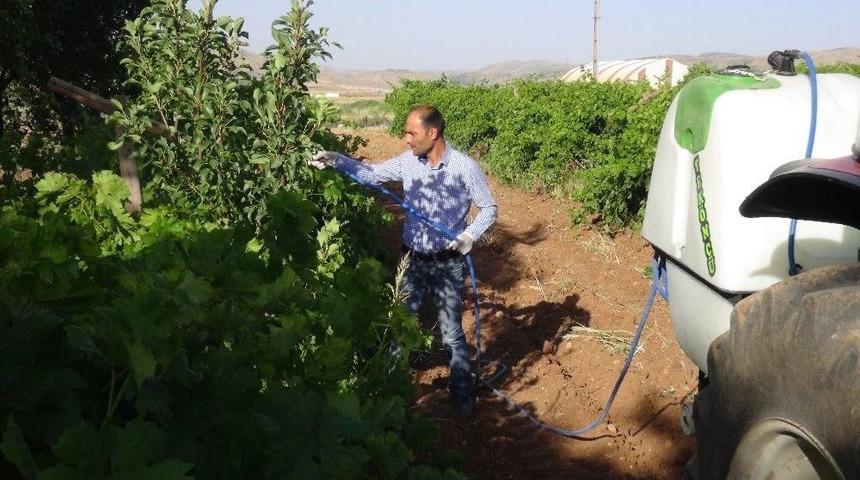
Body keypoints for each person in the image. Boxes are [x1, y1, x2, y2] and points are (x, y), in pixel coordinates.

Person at [310, 105, 498, 415]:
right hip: (411, 259)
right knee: (399, 324)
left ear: (432, 133)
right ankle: (388, 388)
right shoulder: (409, 162)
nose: (406, 138)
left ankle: (462, 392)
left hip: (447, 263)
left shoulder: (464, 167)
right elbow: (371, 175)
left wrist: (470, 235)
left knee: (451, 331)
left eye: (411, 132)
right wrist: (335, 159)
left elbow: (489, 209)